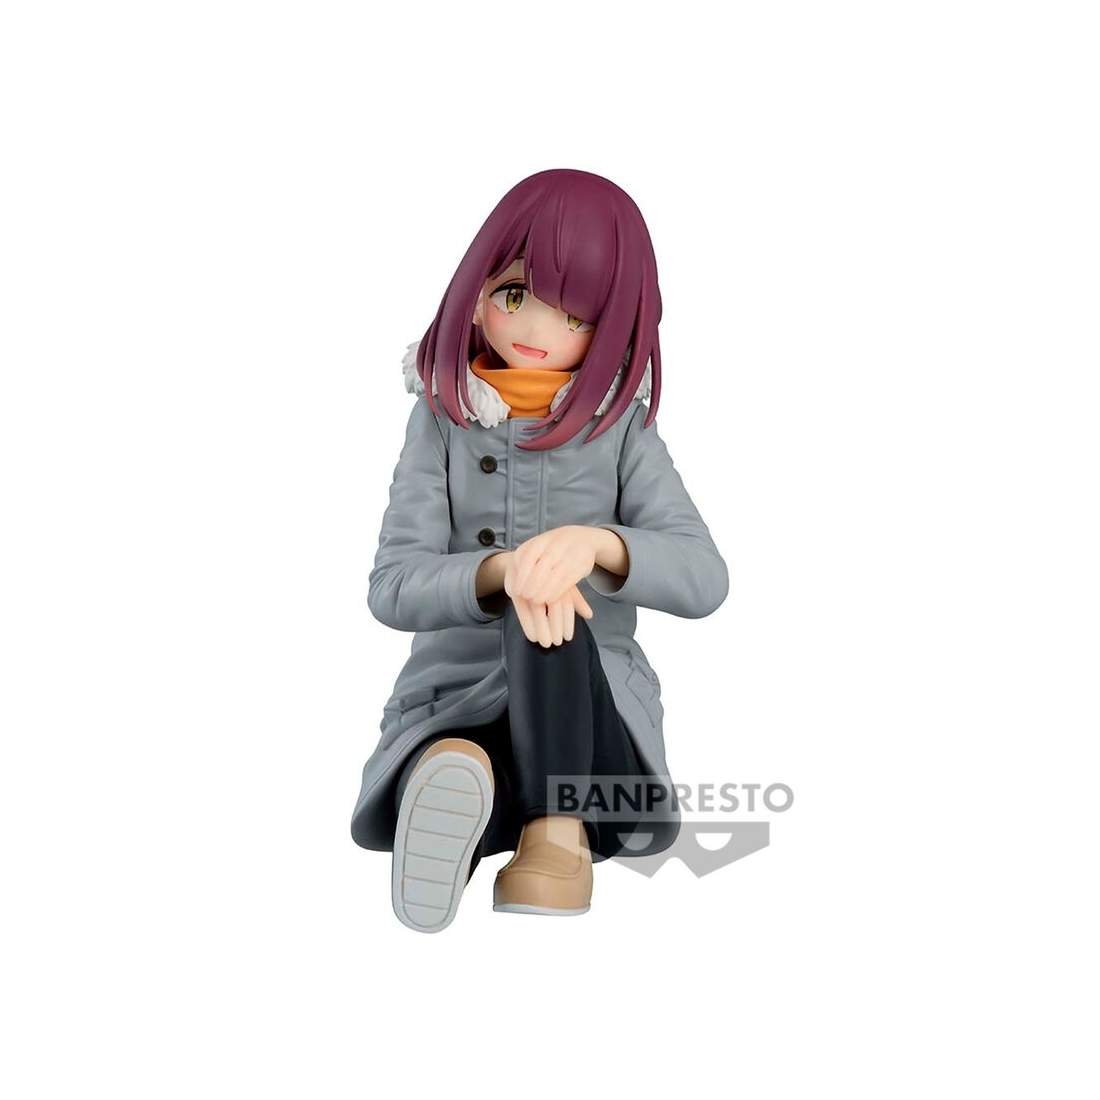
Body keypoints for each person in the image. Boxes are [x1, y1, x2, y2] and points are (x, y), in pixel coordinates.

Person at [351, 169, 728, 932]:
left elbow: (703, 576)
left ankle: (555, 829)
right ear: (477, 291)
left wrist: (596, 546)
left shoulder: (621, 432)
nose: (537, 328)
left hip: (596, 730)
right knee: (467, 754)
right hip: (456, 698)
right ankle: (470, 792)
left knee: (550, 603)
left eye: (574, 314)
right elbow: (393, 585)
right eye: (516, 294)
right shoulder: (442, 422)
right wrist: (499, 572)